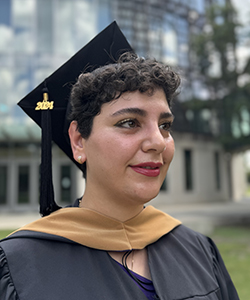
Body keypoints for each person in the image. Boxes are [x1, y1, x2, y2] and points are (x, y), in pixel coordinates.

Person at [0, 23, 239, 300]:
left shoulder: (199, 250)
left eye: (165, 125)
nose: (158, 142)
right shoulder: (18, 267)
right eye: (129, 123)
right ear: (79, 140)